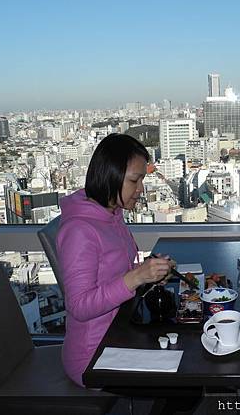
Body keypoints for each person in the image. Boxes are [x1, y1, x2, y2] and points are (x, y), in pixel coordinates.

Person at [57, 133, 172, 386]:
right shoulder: (79, 230)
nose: (141, 189)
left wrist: (146, 271)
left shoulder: (111, 213)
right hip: (94, 355)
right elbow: (79, 305)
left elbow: (112, 272)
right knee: (182, 376)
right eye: (135, 180)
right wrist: (136, 277)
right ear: (111, 176)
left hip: (119, 331)